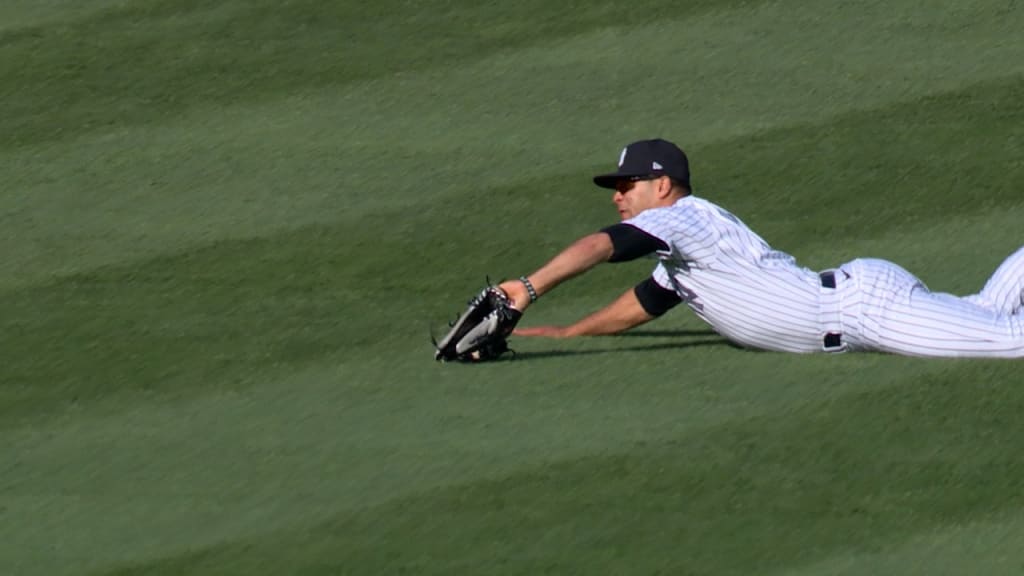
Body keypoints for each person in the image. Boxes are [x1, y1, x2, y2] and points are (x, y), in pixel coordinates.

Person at [496, 138, 1024, 358]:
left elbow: (602, 245)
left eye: (625, 186)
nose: (617, 197)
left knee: (1008, 342)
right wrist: (569, 331)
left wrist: (528, 288)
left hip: (866, 312)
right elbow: (642, 305)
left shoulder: (686, 219)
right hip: (859, 298)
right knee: (988, 310)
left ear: (661, 187)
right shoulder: (686, 254)